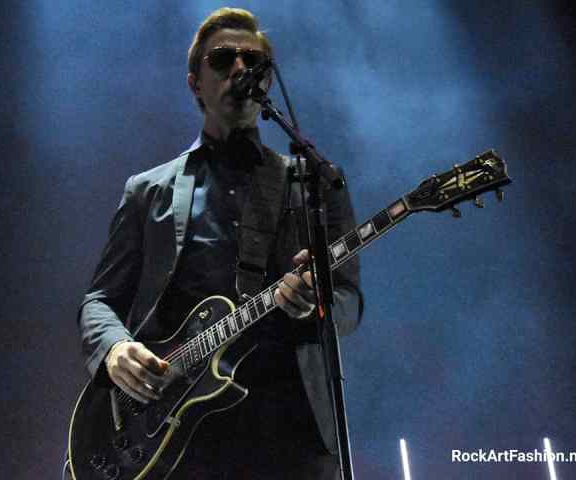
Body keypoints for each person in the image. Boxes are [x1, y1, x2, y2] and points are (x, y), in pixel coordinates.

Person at [77, 7, 362, 479]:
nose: (240, 69)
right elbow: (99, 300)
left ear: (267, 82)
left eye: (254, 62)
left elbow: (349, 303)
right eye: (224, 59)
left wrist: (318, 302)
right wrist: (114, 349)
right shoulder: (148, 191)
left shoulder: (312, 182)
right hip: (173, 434)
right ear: (195, 84)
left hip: (289, 426)